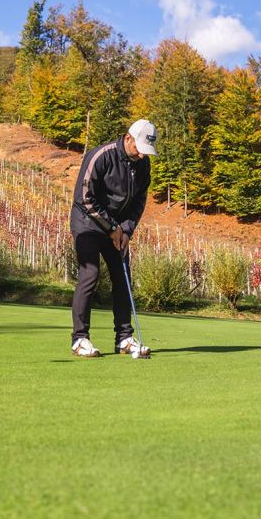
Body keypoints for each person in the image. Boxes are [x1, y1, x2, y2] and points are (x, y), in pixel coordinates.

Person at [69, 119, 157, 358]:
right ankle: (80, 339)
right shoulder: (101, 156)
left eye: (145, 151)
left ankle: (124, 339)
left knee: (122, 276)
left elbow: (139, 201)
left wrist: (126, 231)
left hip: (117, 228)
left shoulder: (143, 164)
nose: (141, 154)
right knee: (90, 273)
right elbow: (84, 198)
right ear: (128, 138)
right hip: (87, 223)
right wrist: (111, 228)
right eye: (139, 148)